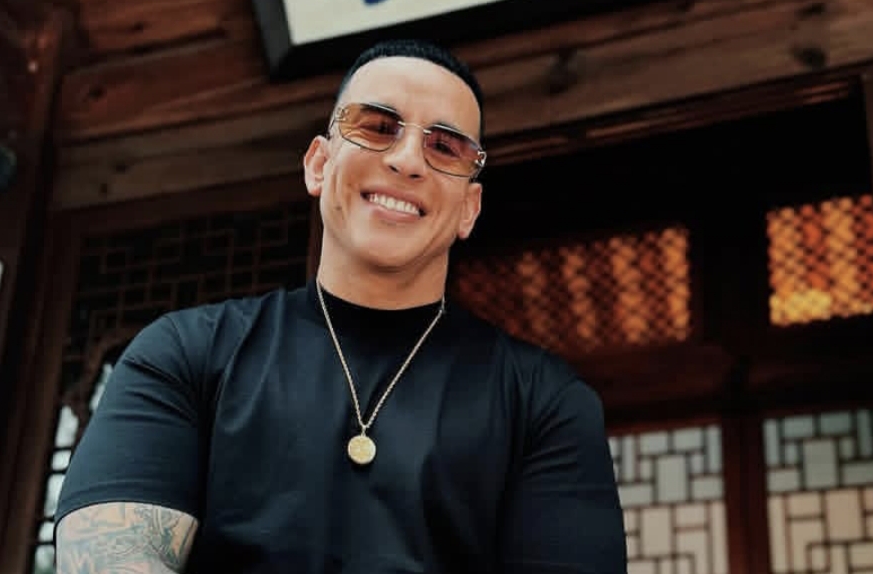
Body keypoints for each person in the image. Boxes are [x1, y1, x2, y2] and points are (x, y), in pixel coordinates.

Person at [53, 38, 627, 573]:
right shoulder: (185, 355)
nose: (407, 160)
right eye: (377, 127)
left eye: (445, 146)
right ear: (319, 164)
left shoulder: (543, 402)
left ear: (469, 209)